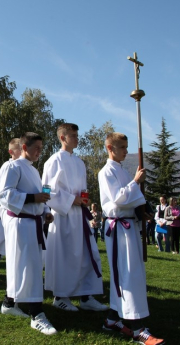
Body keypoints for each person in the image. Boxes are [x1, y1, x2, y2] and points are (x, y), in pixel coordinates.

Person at [98, 132, 164, 345]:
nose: (126, 151)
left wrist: (139, 212)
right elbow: (118, 199)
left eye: (127, 147)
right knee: (127, 275)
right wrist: (136, 182)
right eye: (122, 147)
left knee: (131, 273)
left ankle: (111, 319)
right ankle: (137, 329)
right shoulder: (106, 172)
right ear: (110, 148)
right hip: (118, 229)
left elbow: (129, 201)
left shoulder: (122, 171)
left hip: (129, 227)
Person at [43, 123, 107, 312]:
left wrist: (83, 198)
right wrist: (72, 199)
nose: (77, 139)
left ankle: (86, 296)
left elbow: (82, 189)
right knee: (65, 257)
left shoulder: (80, 162)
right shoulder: (53, 161)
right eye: (73, 135)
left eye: (77, 135)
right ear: (62, 138)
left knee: (87, 255)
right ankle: (60, 296)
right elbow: (47, 190)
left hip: (80, 216)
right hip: (63, 216)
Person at [0, 132, 57, 335]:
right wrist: (33, 199)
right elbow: (4, 194)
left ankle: (8, 303)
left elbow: (40, 196)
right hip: (21, 223)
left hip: (34, 223)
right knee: (27, 267)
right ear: (24, 147)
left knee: (27, 267)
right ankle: (36, 315)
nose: (39, 152)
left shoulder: (33, 170)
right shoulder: (11, 166)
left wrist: (46, 212)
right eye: (36, 148)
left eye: (41, 148)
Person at [0, 138, 22, 221]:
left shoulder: (22, 166)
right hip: (10, 212)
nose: (23, 152)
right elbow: (4, 193)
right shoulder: (8, 166)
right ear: (11, 152)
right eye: (20, 149)